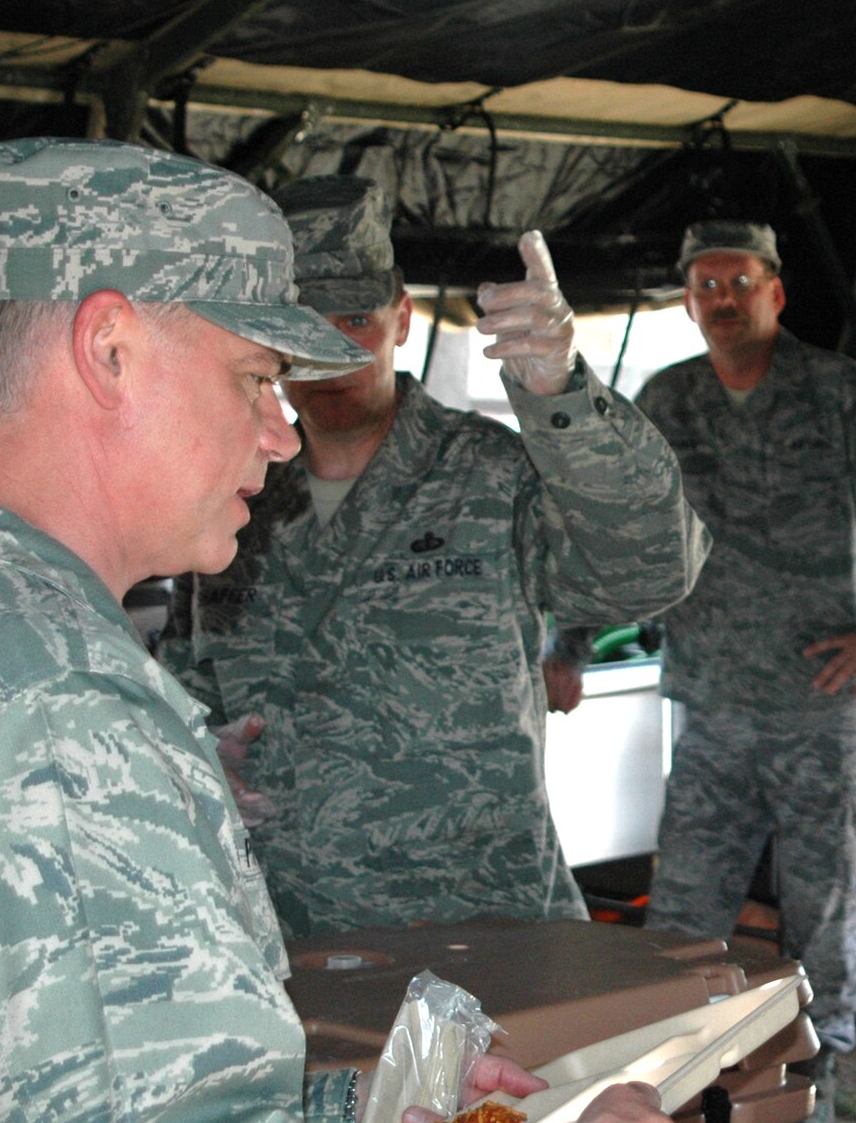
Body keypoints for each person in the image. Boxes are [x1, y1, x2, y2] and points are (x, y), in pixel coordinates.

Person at [0, 137, 703, 1123]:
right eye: (253, 378)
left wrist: (340, 1113)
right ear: (108, 350)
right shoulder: (59, 719)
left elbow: (35, 1107)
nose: (281, 426)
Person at [159, 175, 708, 936]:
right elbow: (186, 674)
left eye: (355, 317)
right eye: (306, 322)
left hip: (478, 923)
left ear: (402, 319)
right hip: (286, 933)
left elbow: (651, 571)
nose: (332, 350)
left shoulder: (492, 471)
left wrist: (562, 397)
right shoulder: (233, 498)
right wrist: (190, 752)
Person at [637, 221, 856, 1123]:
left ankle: (814, 1086)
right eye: (704, 285)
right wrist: (573, 642)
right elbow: (628, 524)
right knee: (682, 915)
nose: (721, 300)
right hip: (712, 709)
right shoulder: (667, 399)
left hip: (825, 714)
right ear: (688, 301)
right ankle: (665, 1084)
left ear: (776, 293)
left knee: (821, 912)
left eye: (739, 282)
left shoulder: (835, 393)